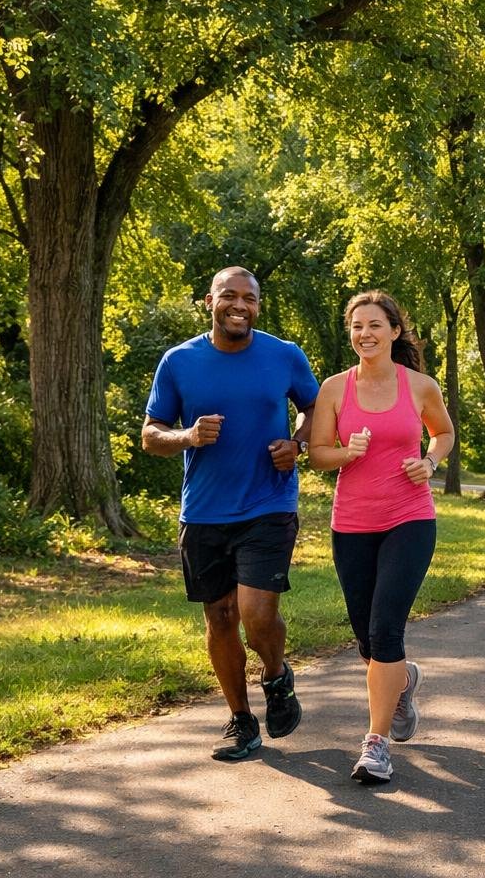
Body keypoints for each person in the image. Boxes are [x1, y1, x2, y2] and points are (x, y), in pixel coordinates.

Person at [141, 266, 319, 761]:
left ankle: (276, 675)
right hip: (203, 511)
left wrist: (297, 444)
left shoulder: (284, 355)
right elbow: (151, 433)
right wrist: (188, 436)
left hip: (269, 503)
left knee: (258, 616)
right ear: (209, 302)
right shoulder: (179, 361)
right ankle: (241, 721)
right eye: (229, 296)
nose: (239, 305)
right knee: (220, 618)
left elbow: (316, 408)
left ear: (258, 305)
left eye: (250, 298)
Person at [307, 291, 454, 785]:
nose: (364, 334)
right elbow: (318, 455)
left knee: (386, 628)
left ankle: (376, 744)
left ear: (394, 331)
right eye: (356, 327)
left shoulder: (420, 386)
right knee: (368, 638)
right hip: (352, 522)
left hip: (410, 518)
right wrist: (347, 452)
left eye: (374, 325)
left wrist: (428, 463)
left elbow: (445, 433)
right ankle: (405, 679)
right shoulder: (332, 389)